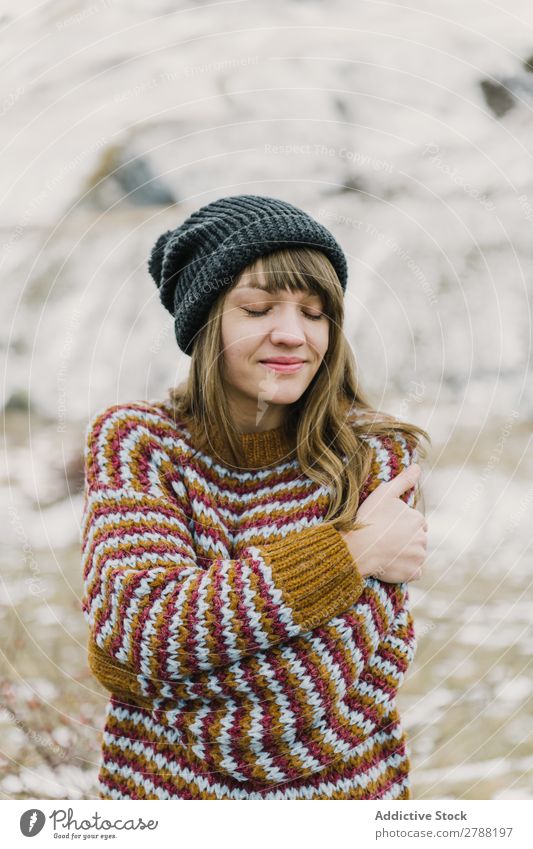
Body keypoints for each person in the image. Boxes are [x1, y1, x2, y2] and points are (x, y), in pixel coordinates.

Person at [80, 194, 430, 800]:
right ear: (206, 320)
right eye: (258, 308)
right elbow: (151, 625)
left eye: (315, 313)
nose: (293, 335)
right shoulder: (139, 443)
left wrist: (141, 667)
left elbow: (319, 696)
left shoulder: (374, 457)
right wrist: (348, 554)